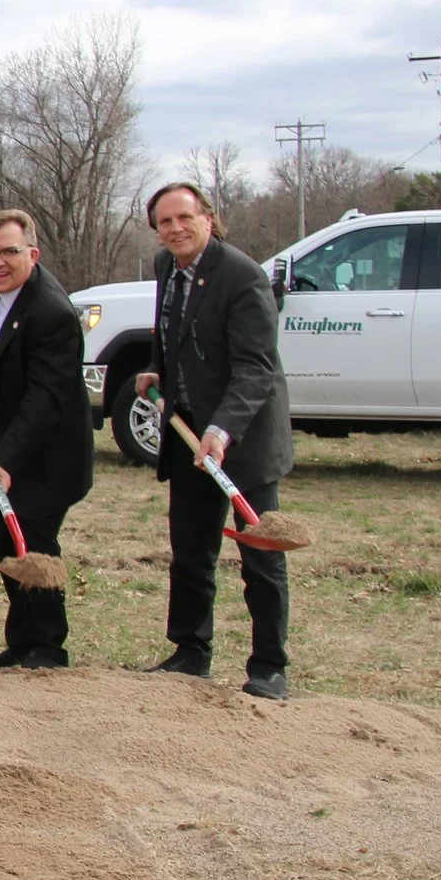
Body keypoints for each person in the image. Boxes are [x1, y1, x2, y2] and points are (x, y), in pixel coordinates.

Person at [133, 182, 295, 699]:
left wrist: (221, 430)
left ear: (207, 217)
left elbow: (256, 369)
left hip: (239, 440)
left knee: (261, 556)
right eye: (164, 222)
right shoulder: (168, 268)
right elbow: (171, 330)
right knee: (191, 551)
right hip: (187, 438)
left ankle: (269, 666)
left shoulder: (243, 277)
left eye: (184, 217)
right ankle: (190, 651)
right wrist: (156, 369)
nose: (175, 229)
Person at [0, 208, 91, 670]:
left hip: (43, 457)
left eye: (9, 251)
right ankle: (22, 642)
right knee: (9, 548)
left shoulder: (51, 312)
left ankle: (48, 648)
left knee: (35, 548)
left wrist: (6, 458)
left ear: (33, 253)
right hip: (0, 450)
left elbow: (46, 399)